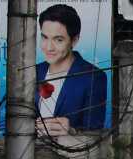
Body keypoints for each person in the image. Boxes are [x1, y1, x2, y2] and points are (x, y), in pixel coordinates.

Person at [35, 3, 108, 135]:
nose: (49, 47)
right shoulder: (33, 72)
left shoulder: (93, 77)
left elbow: (96, 133)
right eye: (44, 37)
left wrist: (72, 130)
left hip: (67, 154)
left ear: (74, 40)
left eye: (58, 40)